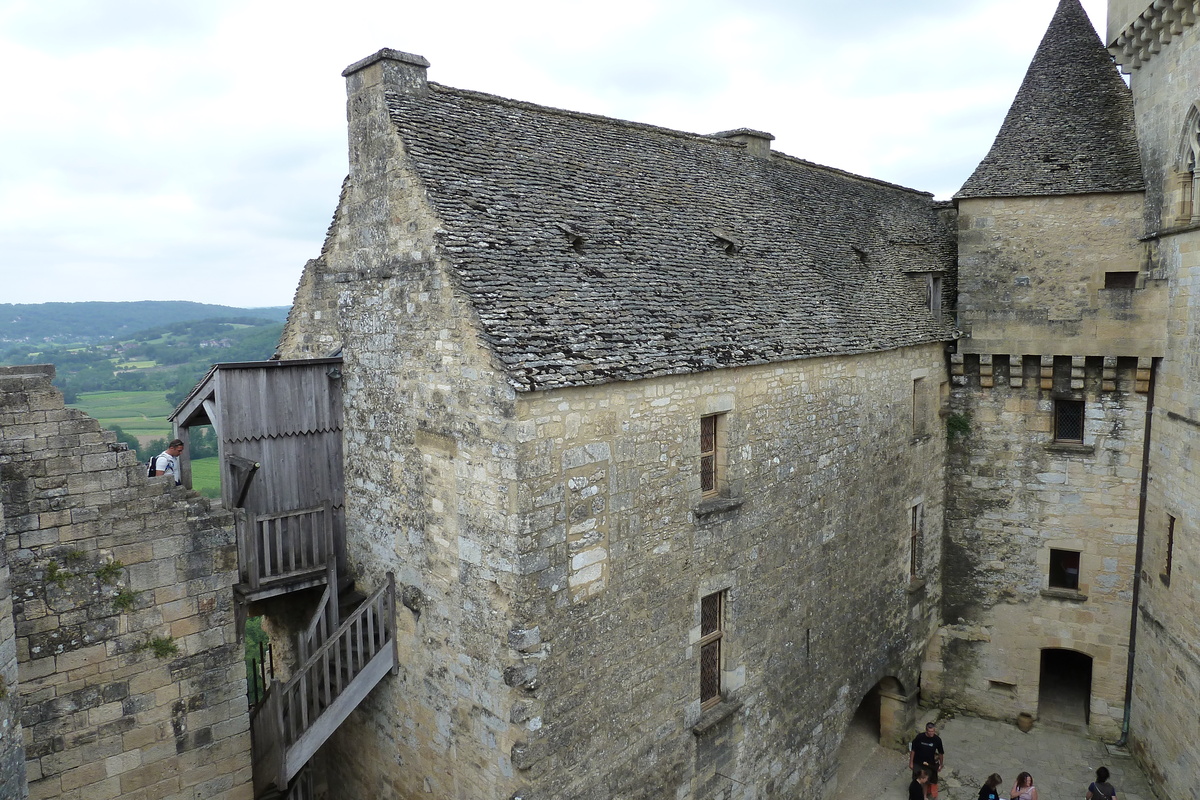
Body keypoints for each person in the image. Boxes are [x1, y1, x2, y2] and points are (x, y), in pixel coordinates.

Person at [908, 722, 945, 798]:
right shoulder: (920, 737)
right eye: (930, 731)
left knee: (925, 781)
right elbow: (913, 750)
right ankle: (914, 795)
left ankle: (924, 796)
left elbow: (941, 753)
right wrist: (911, 762)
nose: (931, 733)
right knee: (917, 779)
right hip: (918, 762)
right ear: (926, 730)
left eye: (933, 731)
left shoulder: (937, 740)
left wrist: (941, 764)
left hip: (929, 764)